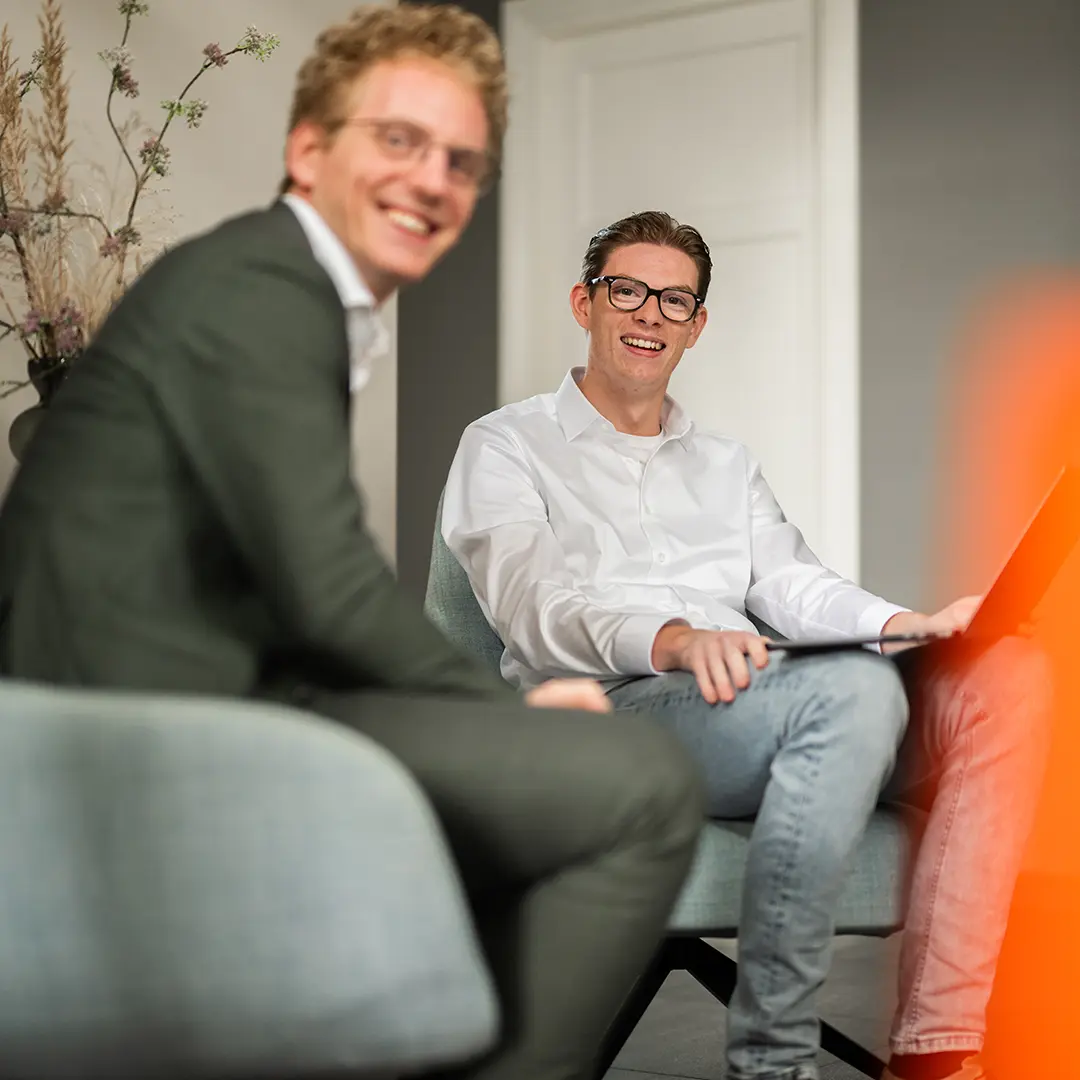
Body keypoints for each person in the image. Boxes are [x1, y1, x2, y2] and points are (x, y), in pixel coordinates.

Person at [0, 13, 706, 1080]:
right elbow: (325, 585)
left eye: (460, 161)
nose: (433, 179)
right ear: (309, 150)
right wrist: (500, 707)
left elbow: (279, 580)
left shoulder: (276, 287)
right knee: (638, 782)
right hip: (134, 714)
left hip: (197, 688)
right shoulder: (263, 288)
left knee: (542, 789)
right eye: (399, 140)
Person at [442, 210, 1052, 1080]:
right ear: (585, 303)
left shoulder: (726, 465)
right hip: (606, 713)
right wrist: (675, 640)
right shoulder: (505, 444)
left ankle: (939, 1049)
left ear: (696, 326)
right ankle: (772, 1059)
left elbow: (795, 585)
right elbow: (533, 605)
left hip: (744, 704)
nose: (649, 314)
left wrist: (908, 625)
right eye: (627, 291)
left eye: (674, 300)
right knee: (850, 692)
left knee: (1009, 674)